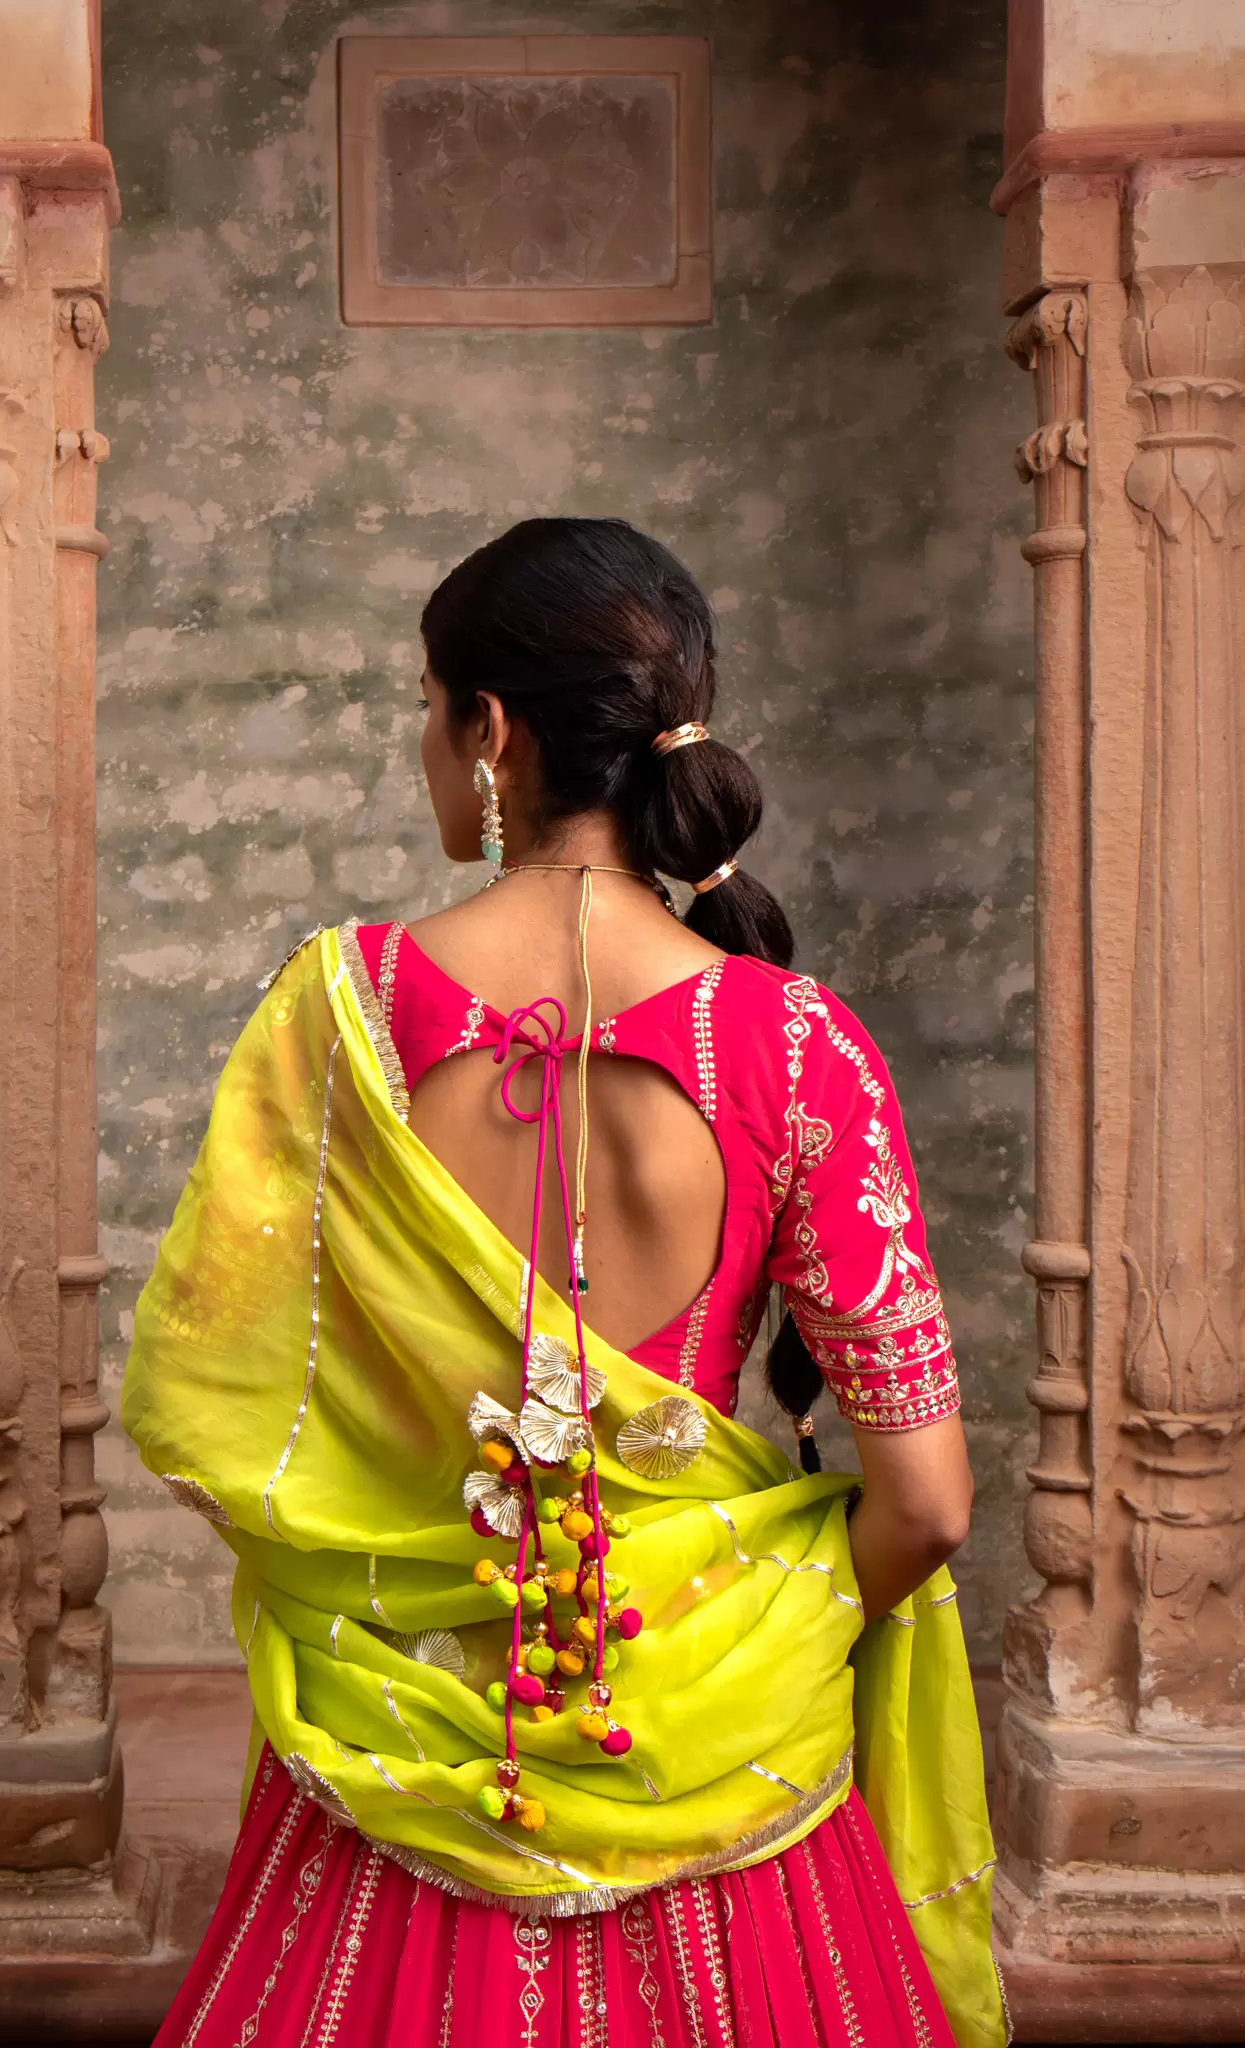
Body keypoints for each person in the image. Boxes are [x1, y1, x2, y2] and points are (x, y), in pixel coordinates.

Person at [124, 518, 1009, 2047]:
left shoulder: (345, 1016)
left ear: (492, 732)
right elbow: (926, 1503)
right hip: (732, 1770)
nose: (426, 737)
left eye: (426, 701)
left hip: (401, 1740)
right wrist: (751, 1633)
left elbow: (220, 1410)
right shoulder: (799, 1050)